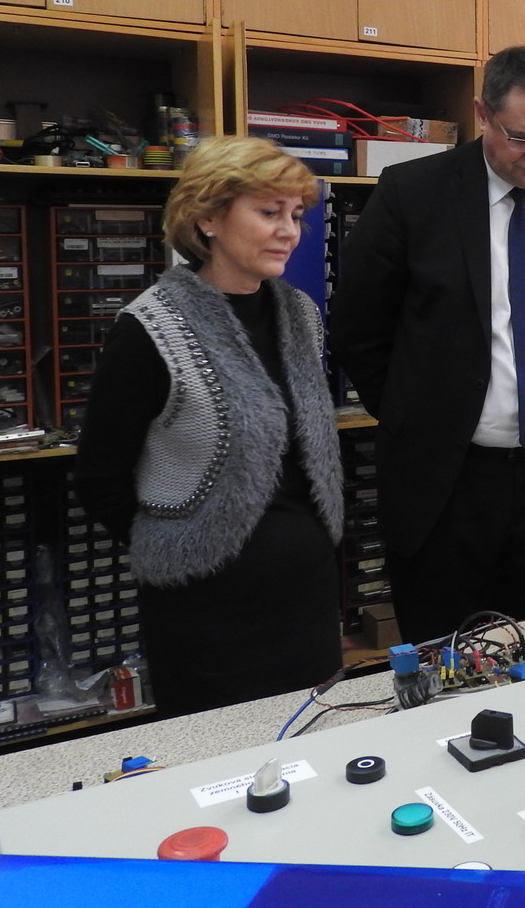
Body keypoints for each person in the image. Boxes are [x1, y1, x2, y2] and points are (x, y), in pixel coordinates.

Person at [328, 43, 525, 646]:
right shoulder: (413, 192)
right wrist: (417, 414)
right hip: (445, 476)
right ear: (483, 114)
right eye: (522, 138)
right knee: (445, 656)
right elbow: (358, 326)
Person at [76, 135, 344, 718]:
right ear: (208, 218)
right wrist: (182, 543)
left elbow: (304, 458)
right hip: (208, 617)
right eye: (269, 212)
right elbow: (99, 479)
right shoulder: (150, 329)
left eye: (295, 215)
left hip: (308, 602)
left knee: (312, 747)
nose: (289, 231)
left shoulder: (300, 314)